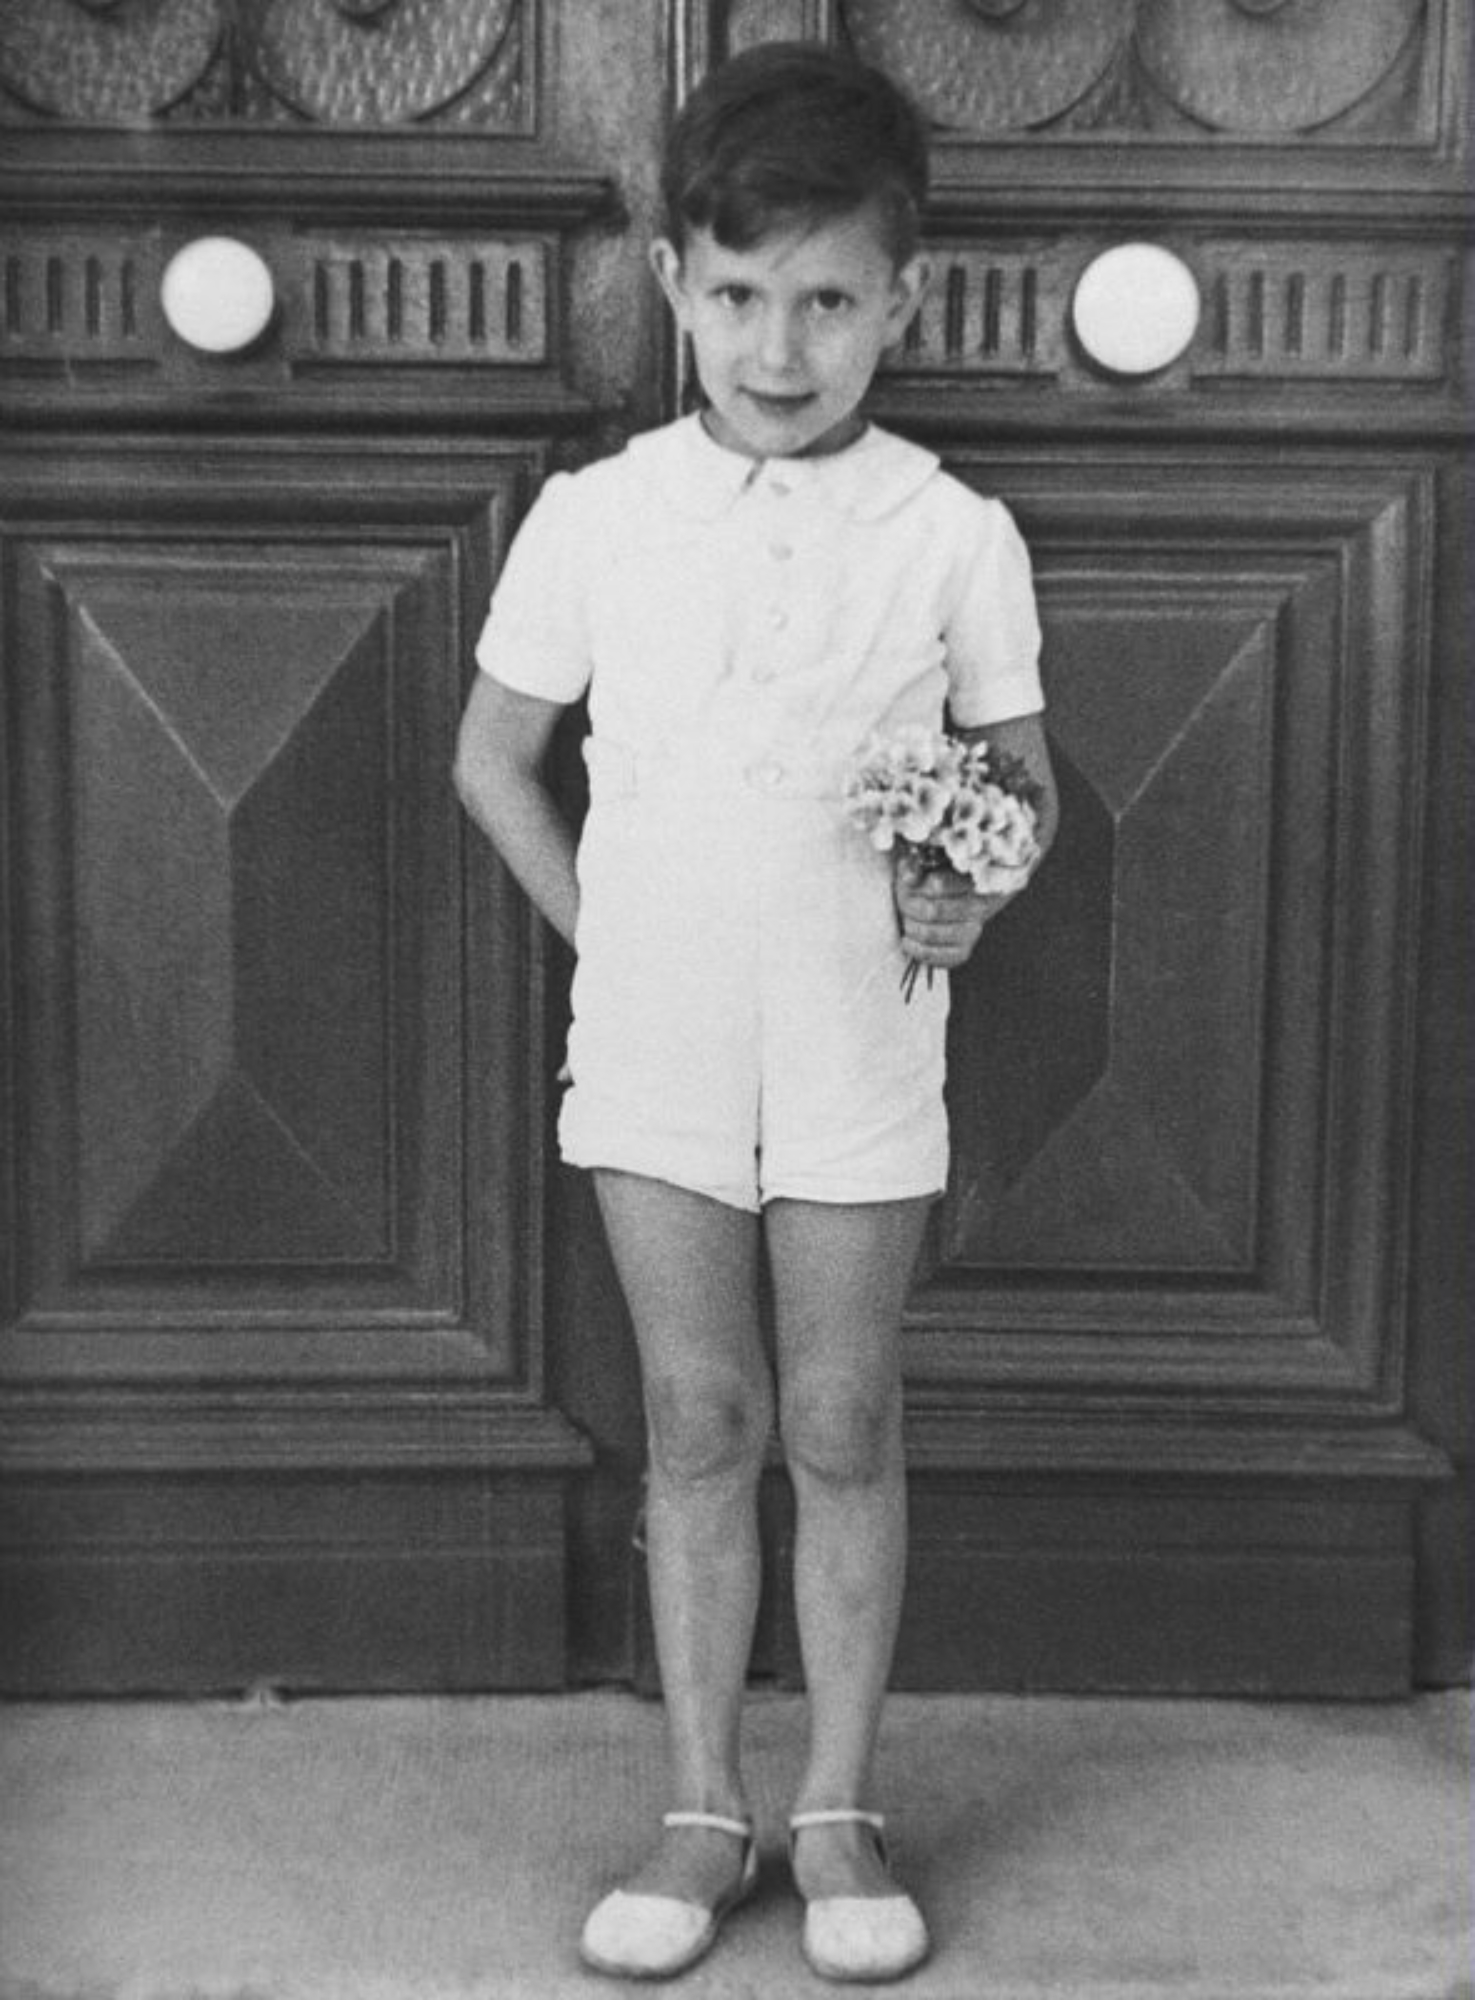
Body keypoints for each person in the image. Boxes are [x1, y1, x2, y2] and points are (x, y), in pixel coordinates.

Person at [454, 39, 1057, 1983]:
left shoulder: (952, 532)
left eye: (823, 298)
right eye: (734, 294)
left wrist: (974, 877)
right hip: (652, 1048)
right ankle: (704, 1800)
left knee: (842, 1408)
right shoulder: (601, 516)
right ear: (668, 281)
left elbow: (1018, 783)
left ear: (905, 297)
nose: (775, 345)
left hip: (860, 1035)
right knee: (702, 1413)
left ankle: (842, 1802)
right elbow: (495, 760)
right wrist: (604, 933)